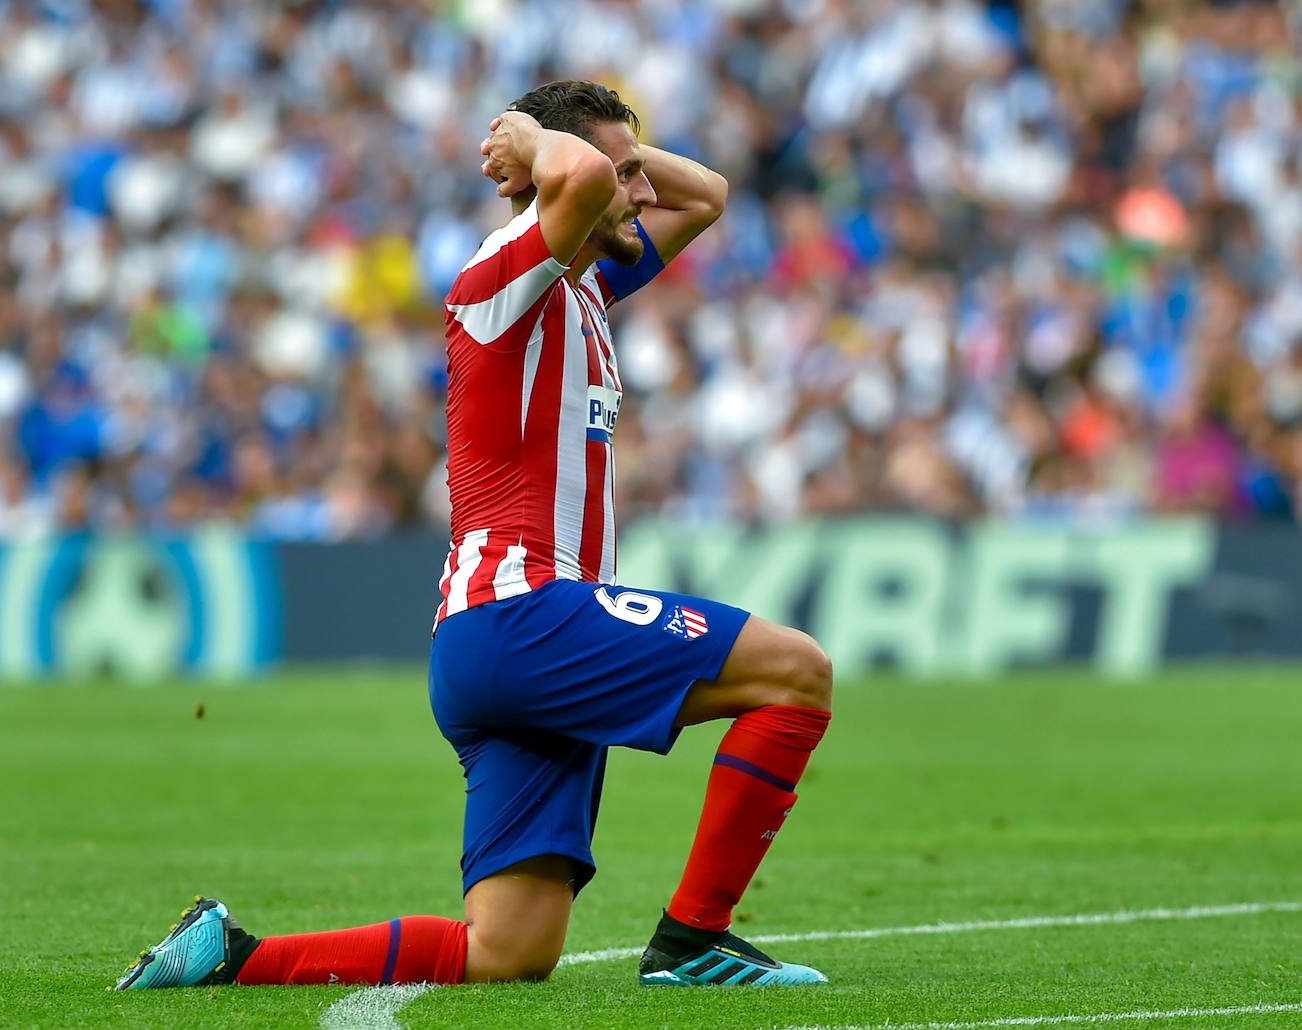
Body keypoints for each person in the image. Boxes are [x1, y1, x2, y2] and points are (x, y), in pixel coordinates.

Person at [115, 80, 833, 992]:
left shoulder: (582, 289)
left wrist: (618, 160)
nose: (644, 195)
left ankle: (232, 957)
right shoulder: (501, 275)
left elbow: (709, 195)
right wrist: (536, 142)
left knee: (508, 951)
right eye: (625, 176)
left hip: (490, 648)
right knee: (797, 674)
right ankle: (695, 941)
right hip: (523, 612)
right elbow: (572, 175)